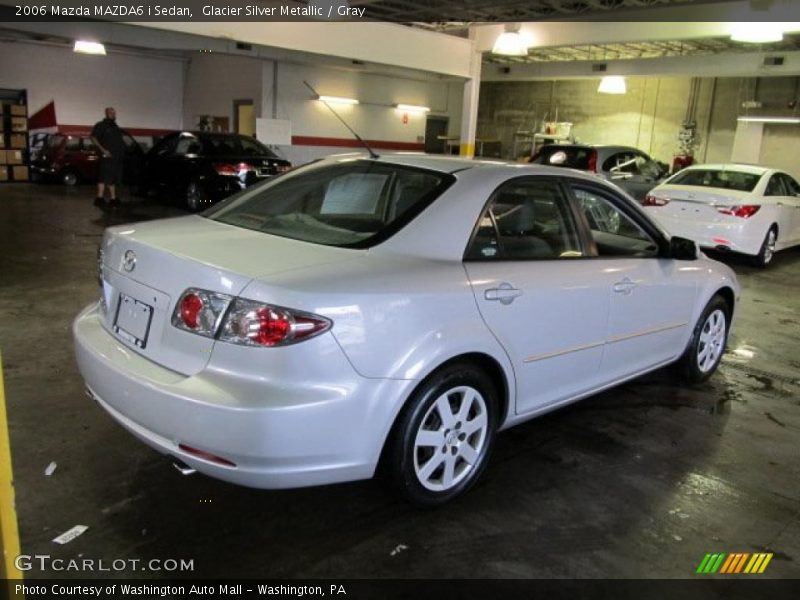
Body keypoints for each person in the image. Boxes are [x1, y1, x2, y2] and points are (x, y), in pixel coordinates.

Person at [90, 107, 125, 208]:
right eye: (111, 112)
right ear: (106, 114)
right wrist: (103, 150)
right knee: (104, 177)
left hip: (116, 158)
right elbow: (93, 137)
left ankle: (113, 199)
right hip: (107, 156)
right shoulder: (101, 125)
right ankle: (99, 199)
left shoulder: (115, 127)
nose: (113, 114)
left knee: (112, 178)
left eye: (114, 112)